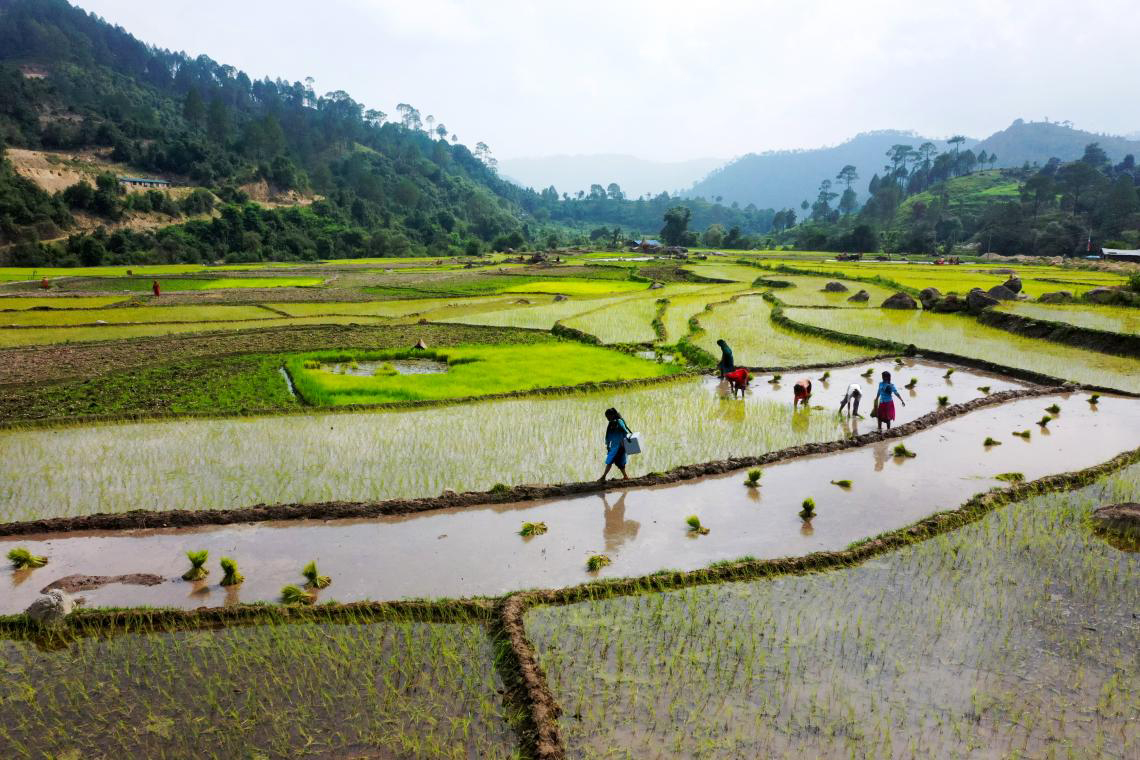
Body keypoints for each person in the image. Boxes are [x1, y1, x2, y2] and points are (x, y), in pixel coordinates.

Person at [599, 407, 632, 481]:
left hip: (619, 446)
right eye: (606, 417)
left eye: (608, 416)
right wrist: (608, 445)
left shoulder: (619, 422)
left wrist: (623, 441)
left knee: (610, 461)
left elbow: (625, 431)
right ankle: (625, 476)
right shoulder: (612, 423)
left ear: (612, 415)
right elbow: (609, 436)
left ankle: (603, 477)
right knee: (619, 461)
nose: (607, 418)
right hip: (614, 446)